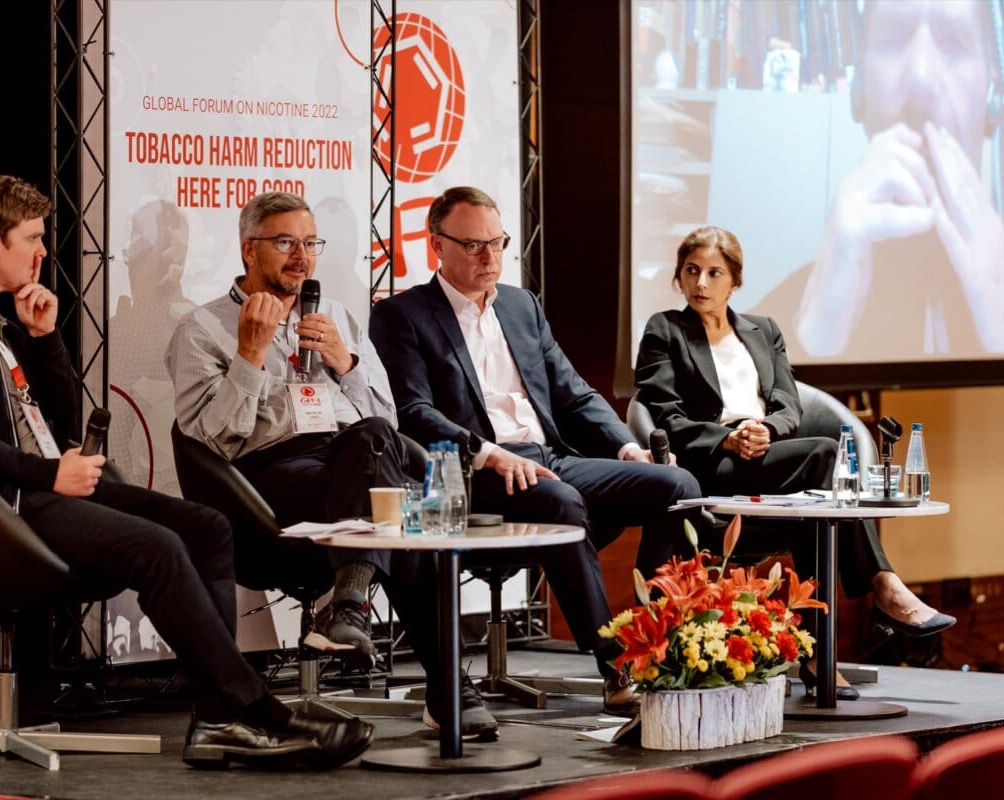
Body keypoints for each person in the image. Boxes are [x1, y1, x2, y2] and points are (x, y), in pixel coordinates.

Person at [0, 175, 372, 770]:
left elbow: (55, 419)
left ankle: (216, 719)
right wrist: (44, 475)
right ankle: (258, 711)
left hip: (37, 486)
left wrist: (45, 339)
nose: (41, 253)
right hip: (0, 505)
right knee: (158, 549)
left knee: (207, 528)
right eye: (32, 239)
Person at [165, 191, 497, 739]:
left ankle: (355, 611)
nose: (301, 256)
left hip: (357, 457)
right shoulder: (202, 330)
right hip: (268, 482)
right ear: (249, 250)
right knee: (392, 517)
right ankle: (434, 676)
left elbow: (387, 419)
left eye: (310, 243)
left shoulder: (337, 315)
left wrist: (345, 363)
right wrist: (250, 353)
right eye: (285, 243)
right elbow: (215, 442)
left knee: (390, 485)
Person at [368, 186, 703, 713]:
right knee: (562, 503)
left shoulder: (521, 306)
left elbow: (573, 392)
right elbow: (413, 411)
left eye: (498, 243)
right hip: (474, 472)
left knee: (677, 486)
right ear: (437, 244)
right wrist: (489, 452)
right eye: (474, 245)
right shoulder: (402, 315)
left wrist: (627, 449)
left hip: (548, 459)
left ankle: (654, 643)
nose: (490, 257)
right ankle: (613, 662)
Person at [636, 226, 957, 697]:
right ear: (679, 278)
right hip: (709, 468)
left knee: (815, 516)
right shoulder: (665, 330)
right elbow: (663, 415)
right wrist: (728, 440)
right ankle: (883, 587)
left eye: (713, 272)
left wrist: (767, 430)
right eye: (691, 271)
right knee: (825, 453)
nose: (701, 283)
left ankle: (814, 658)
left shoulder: (763, 330)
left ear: (734, 282)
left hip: (767, 455)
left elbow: (789, 404)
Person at [760, 0, 1004, 359]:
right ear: (858, 90)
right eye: (893, 38)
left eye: (954, 40)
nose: (921, 77)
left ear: (992, 99)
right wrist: (809, 338)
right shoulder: (763, 334)